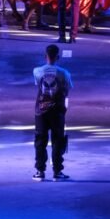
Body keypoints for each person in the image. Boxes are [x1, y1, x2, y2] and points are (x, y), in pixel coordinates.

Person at [32, 44, 73, 181]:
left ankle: (40, 171)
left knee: (40, 140)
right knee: (58, 140)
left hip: (41, 111)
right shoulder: (64, 73)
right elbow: (67, 90)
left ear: (45, 56)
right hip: (57, 111)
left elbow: (38, 84)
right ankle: (57, 172)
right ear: (58, 57)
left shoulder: (37, 71)